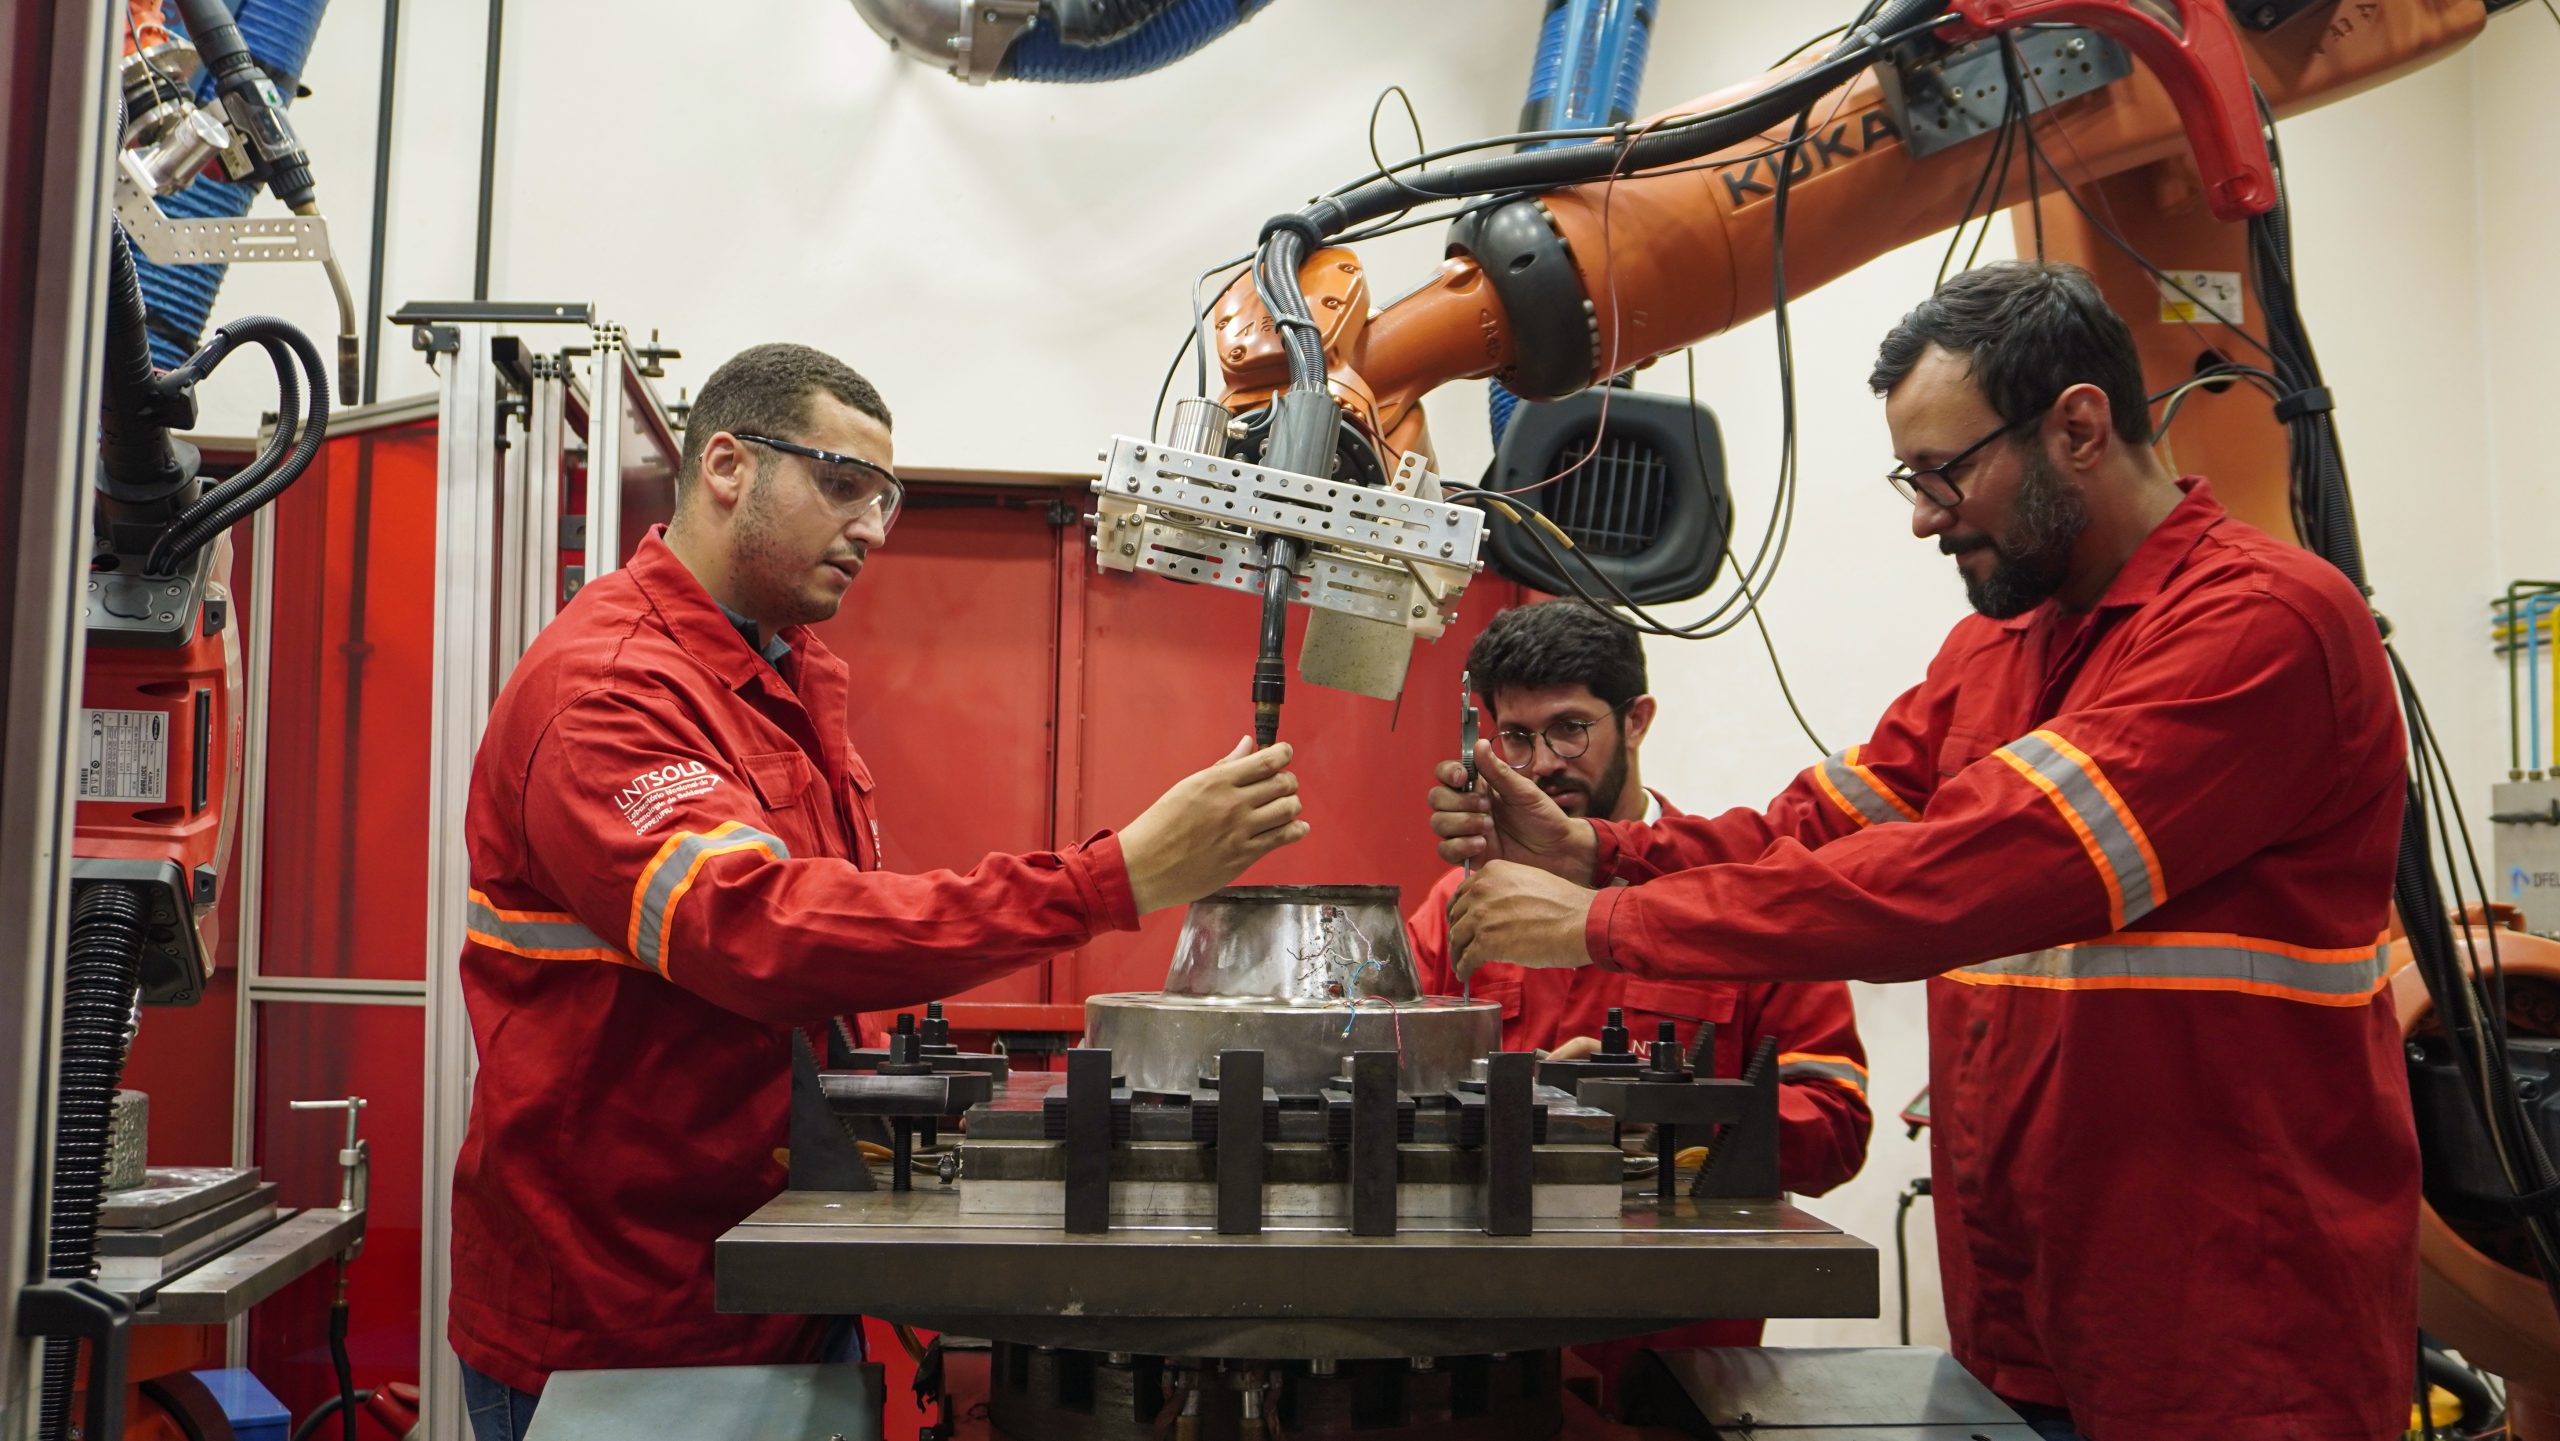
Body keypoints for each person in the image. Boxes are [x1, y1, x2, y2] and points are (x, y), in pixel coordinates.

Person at [1429, 262, 2416, 1441]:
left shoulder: (2259, 626)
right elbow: (1811, 829)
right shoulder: (1990, 655)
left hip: (2227, 1337)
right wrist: (1603, 849)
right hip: (2030, 1314)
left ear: (2080, 426)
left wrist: (1604, 925)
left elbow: (1965, 878)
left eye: (1945, 472)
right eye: (1913, 476)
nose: (1924, 514)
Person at [449, 343, 1308, 1438]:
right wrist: (1110, 878)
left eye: (886, 498)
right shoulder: (610, 690)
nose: (873, 529)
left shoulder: (778, 674)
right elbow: (758, 932)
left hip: (774, 1273)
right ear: (726, 465)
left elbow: (835, 937)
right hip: (631, 1312)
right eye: (843, 483)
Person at [1406, 600, 1871, 1402]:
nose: (1542, 763)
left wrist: (1670, 1115)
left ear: (1638, 718)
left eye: (1570, 729)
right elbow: (1387, 1100)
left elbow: (1836, 1119)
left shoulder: (1744, 902)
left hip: (1677, 1372)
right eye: (1515, 738)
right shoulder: (1462, 908)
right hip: (1488, 1363)